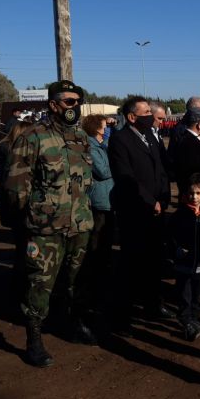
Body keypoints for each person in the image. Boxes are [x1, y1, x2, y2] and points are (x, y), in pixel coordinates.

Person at [5, 80, 97, 367]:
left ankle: (73, 323)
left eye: (77, 102)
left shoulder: (81, 137)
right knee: (39, 283)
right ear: (53, 104)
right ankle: (34, 339)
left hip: (80, 224)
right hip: (46, 228)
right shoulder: (33, 137)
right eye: (69, 102)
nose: (74, 107)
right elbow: (16, 186)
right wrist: (30, 219)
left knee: (75, 281)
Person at [108, 95, 173, 335]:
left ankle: (154, 304)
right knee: (132, 263)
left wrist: (163, 198)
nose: (149, 116)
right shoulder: (120, 141)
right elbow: (126, 178)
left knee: (155, 260)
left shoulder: (150, 138)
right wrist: (150, 201)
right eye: (145, 112)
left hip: (157, 209)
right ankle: (124, 315)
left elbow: (161, 169)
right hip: (135, 212)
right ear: (132, 117)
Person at [169, 173, 200, 341]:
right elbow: (170, 237)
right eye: (190, 193)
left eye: (198, 193)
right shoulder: (179, 215)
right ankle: (186, 322)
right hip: (183, 265)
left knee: (196, 295)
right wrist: (177, 249)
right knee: (184, 295)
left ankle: (194, 319)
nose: (194, 197)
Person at [81, 113, 116, 317]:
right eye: (104, 125)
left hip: (107, 196)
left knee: (106, 237)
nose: (107, 127)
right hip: (100, 198)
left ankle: (102, 272)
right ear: (96, 127)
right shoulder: (92, 147)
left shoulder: (100, 144)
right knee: (98, 237)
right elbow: (102, 170)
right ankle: (96, 277)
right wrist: (117, 163)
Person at [0, 119, 33, 300]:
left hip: (10, 207)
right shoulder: (13, 154)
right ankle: (21, 288)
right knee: (25, 250)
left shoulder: (5, 150)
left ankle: (18, 285)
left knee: (21, 248)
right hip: (19, 207)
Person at [172, 107, 200, 193]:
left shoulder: (193, 139)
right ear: (199, 124)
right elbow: (193, 172)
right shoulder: (189, 143)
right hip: (195, 194)